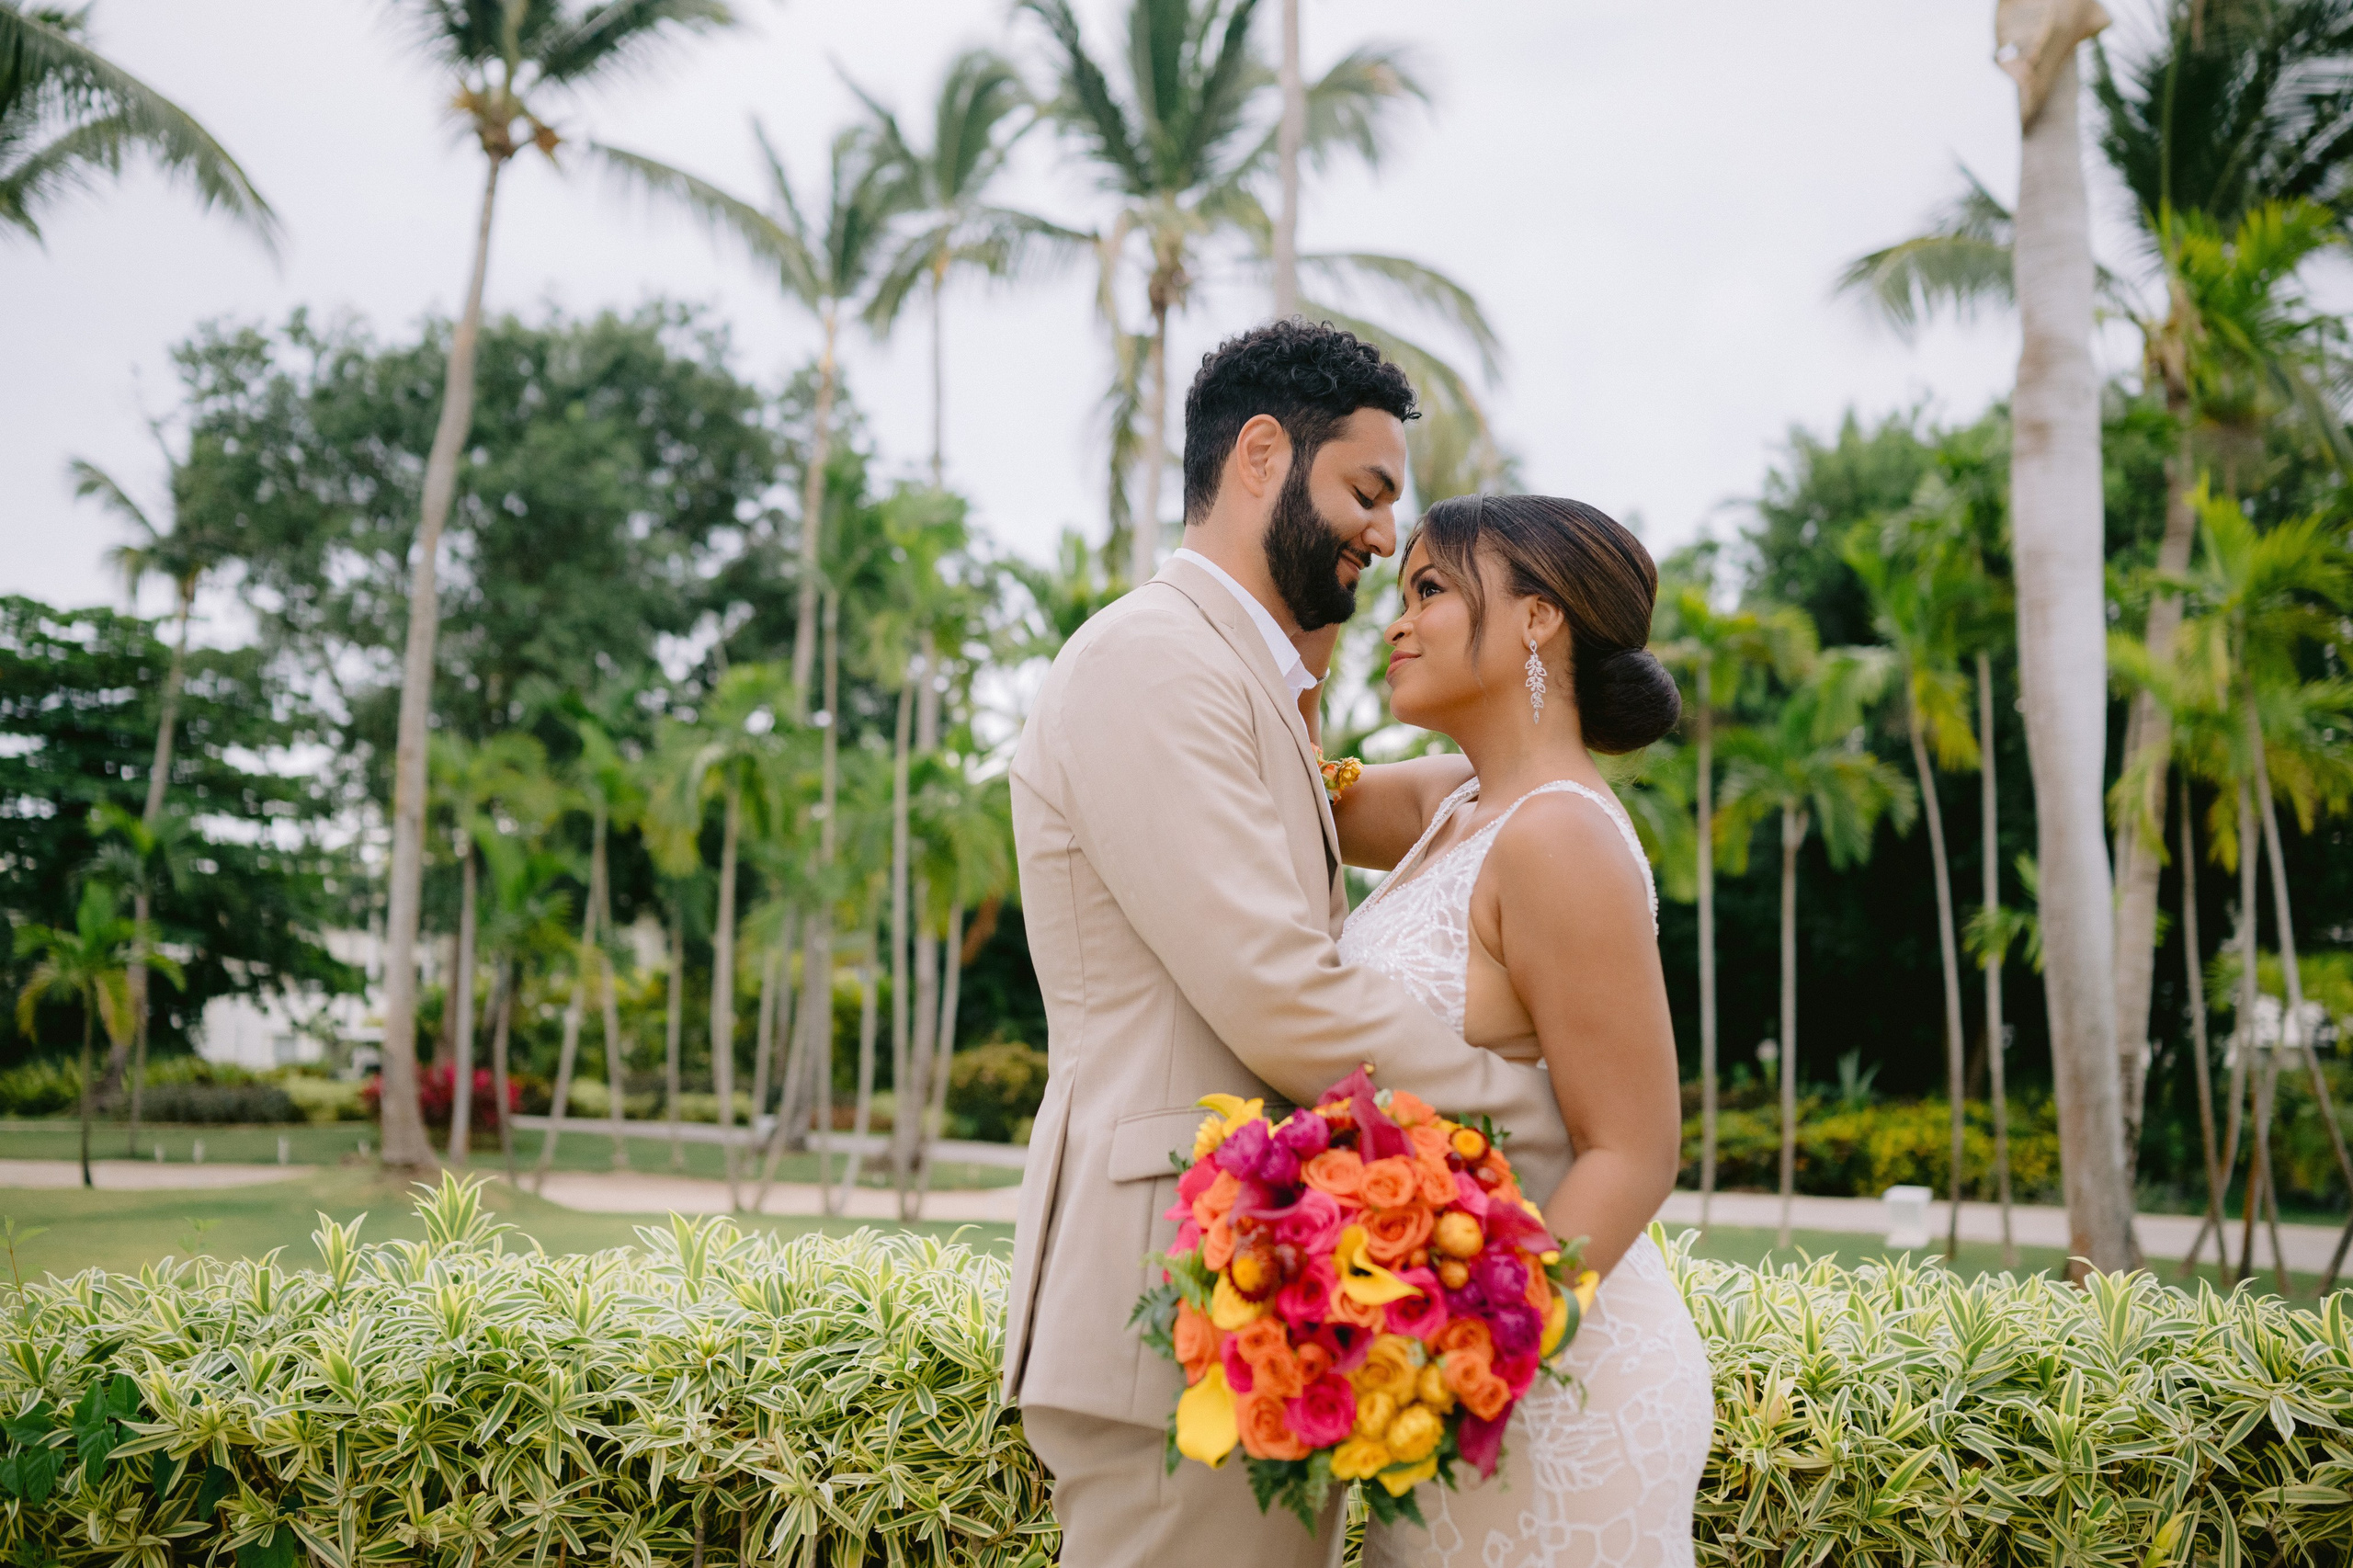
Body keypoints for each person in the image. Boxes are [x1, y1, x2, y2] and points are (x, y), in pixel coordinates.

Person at [1003, 320, 1573, 1567]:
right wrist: (1529, 1116)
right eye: (1367, 492)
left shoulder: (1232, 676)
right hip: (1174, 1300)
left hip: (1252, 1293)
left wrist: (1527, 782)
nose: (1384, 534)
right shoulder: (1154, 659)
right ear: (1263, 452)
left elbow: (1339, 806)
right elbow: (1275, 989)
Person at [1321, 494, 1712, 1567]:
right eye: (1397, 595)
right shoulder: (1455, 799)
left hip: (1545, 1372)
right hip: (1444, 1361)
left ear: (1538, 619)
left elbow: (1633, 1150)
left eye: (1430, 591)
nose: (1394, 623)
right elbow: (1284, 790)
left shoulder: (1559, 840)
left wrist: (1473, 1357)